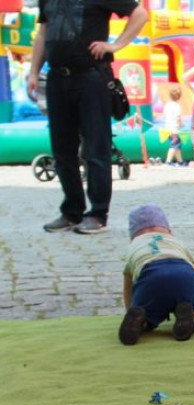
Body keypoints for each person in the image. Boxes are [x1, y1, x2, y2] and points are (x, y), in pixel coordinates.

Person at [27, 0, 149, 235]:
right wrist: (34, 72)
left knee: (96, 148)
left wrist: (115, 45)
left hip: (91, 77)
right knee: (62, 150)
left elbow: (140, 14)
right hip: (56, 78)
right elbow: (43, 32)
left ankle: (98, 214)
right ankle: (71, 211)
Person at [119, 204, 194, 345]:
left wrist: (132, 307)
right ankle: (190, 319)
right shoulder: (176, 242)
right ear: (169, 231)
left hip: (150, 276)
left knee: (146, 314)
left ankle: (140, 322)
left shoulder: (134, 246)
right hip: (183, 273)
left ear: (132, 236)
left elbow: (127, 288)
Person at [163, 84, 185, 167]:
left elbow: (164, 115)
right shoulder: (177, 106)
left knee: (177, 146)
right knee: (173, 146)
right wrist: (181, 124)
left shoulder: (167, 105)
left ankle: (180, 161)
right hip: (174, 130)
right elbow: (178, 117)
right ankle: (168, 161)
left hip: (168, 128)